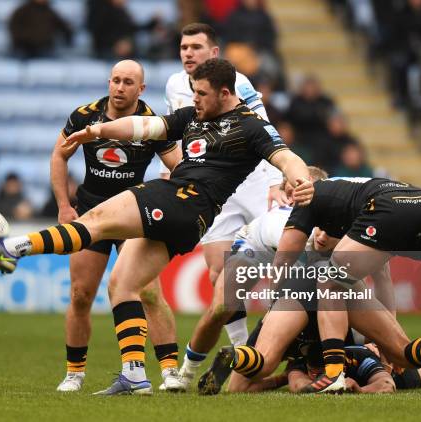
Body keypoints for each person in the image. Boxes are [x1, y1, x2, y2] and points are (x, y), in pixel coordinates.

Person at [0, 58, 314, 395]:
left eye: (201, 93)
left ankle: (9, 249)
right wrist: (96, 130)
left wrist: (300, 181)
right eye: (193, 92)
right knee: (123, 285)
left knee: (93, 222)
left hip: (179, 197)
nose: (195, 98)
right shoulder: (192, 115)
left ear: (225, 93)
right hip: (191, 220)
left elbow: (287, 158)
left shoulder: (251, 125)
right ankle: (135, 375)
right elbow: (145, 127)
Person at [199, 227, 421, 395]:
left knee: (264, 361)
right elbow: (384, 281)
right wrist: (383, 348)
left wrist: (275, 314)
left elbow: (279, 265)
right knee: (404, 352)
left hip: (296, 294)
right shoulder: (360, 232)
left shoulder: (296, 219)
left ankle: (236, 356)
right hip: (339, 287)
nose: (320, 235)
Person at [45, 60, 183, 392]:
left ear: (141, 89)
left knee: (149, 291)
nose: (120, 88)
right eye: (116, 81)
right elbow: (59, 155)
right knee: (80, 294)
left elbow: (178, 165)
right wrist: (64, 205)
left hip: (134, 214)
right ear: (109, 82)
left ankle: (169, 371)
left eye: (128, 82)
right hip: (92, 213)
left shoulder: (151, 123)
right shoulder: (84, 115)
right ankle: (75, 374)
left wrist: (172, 194)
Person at [163, 23, 287, 381]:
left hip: (253, 181)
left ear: (214, 53)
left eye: (196, 47)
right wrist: (173, 168)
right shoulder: (175, 85)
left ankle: (289, 343)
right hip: (213, 187)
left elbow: (264, 129)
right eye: (184, 46)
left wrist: (278, 180)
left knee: (288, 267)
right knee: (220, 274)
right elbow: (176, 132)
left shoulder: (238, 83)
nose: (188, 53)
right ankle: (242, 352)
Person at [274, 176, 421, 393]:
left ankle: (333, 375)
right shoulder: (348, 192)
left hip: (387, 207)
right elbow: (383, 279)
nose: (289, 200)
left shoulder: (308, 194)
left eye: (289, 193)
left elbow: (284, 256)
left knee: (330, 280)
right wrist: (385, 345)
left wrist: (274, 303)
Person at [176, 167, 327, 390]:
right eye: (291, 189)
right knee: (220, 308)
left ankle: (282, 368)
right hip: (255, 246)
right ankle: (186, 373)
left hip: (293, 268)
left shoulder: (326, 218)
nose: (296, 195)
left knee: (239, 386)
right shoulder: (282, 220)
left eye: (302, 190)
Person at [8, 0, 73, 59]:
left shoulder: (50, 12)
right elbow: (14, 29)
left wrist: (68, 37)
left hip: (45, 48)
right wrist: (31, 37)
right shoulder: (22, 11)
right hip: (25, 49)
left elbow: (64, 27)